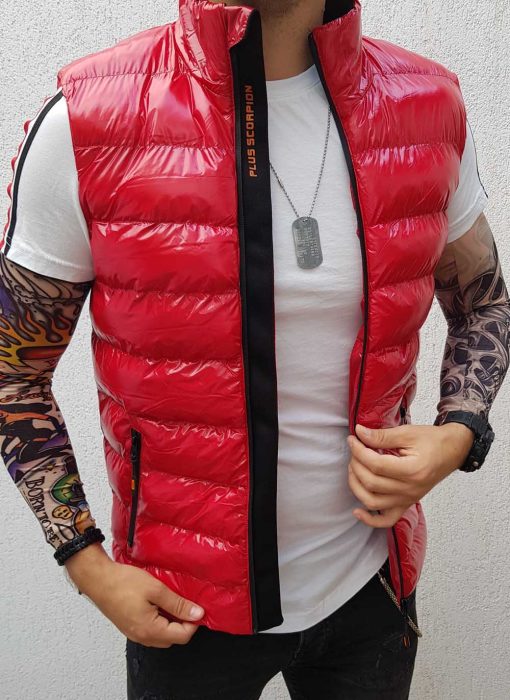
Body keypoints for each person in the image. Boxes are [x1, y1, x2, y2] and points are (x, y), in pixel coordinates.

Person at [1, 0, 509, 698]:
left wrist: (459, 432)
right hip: (183, 610)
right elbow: (13, 371)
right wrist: (87, 565)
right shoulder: (88, 118)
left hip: (371, 591)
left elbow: (484, 301)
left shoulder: (427, 107)